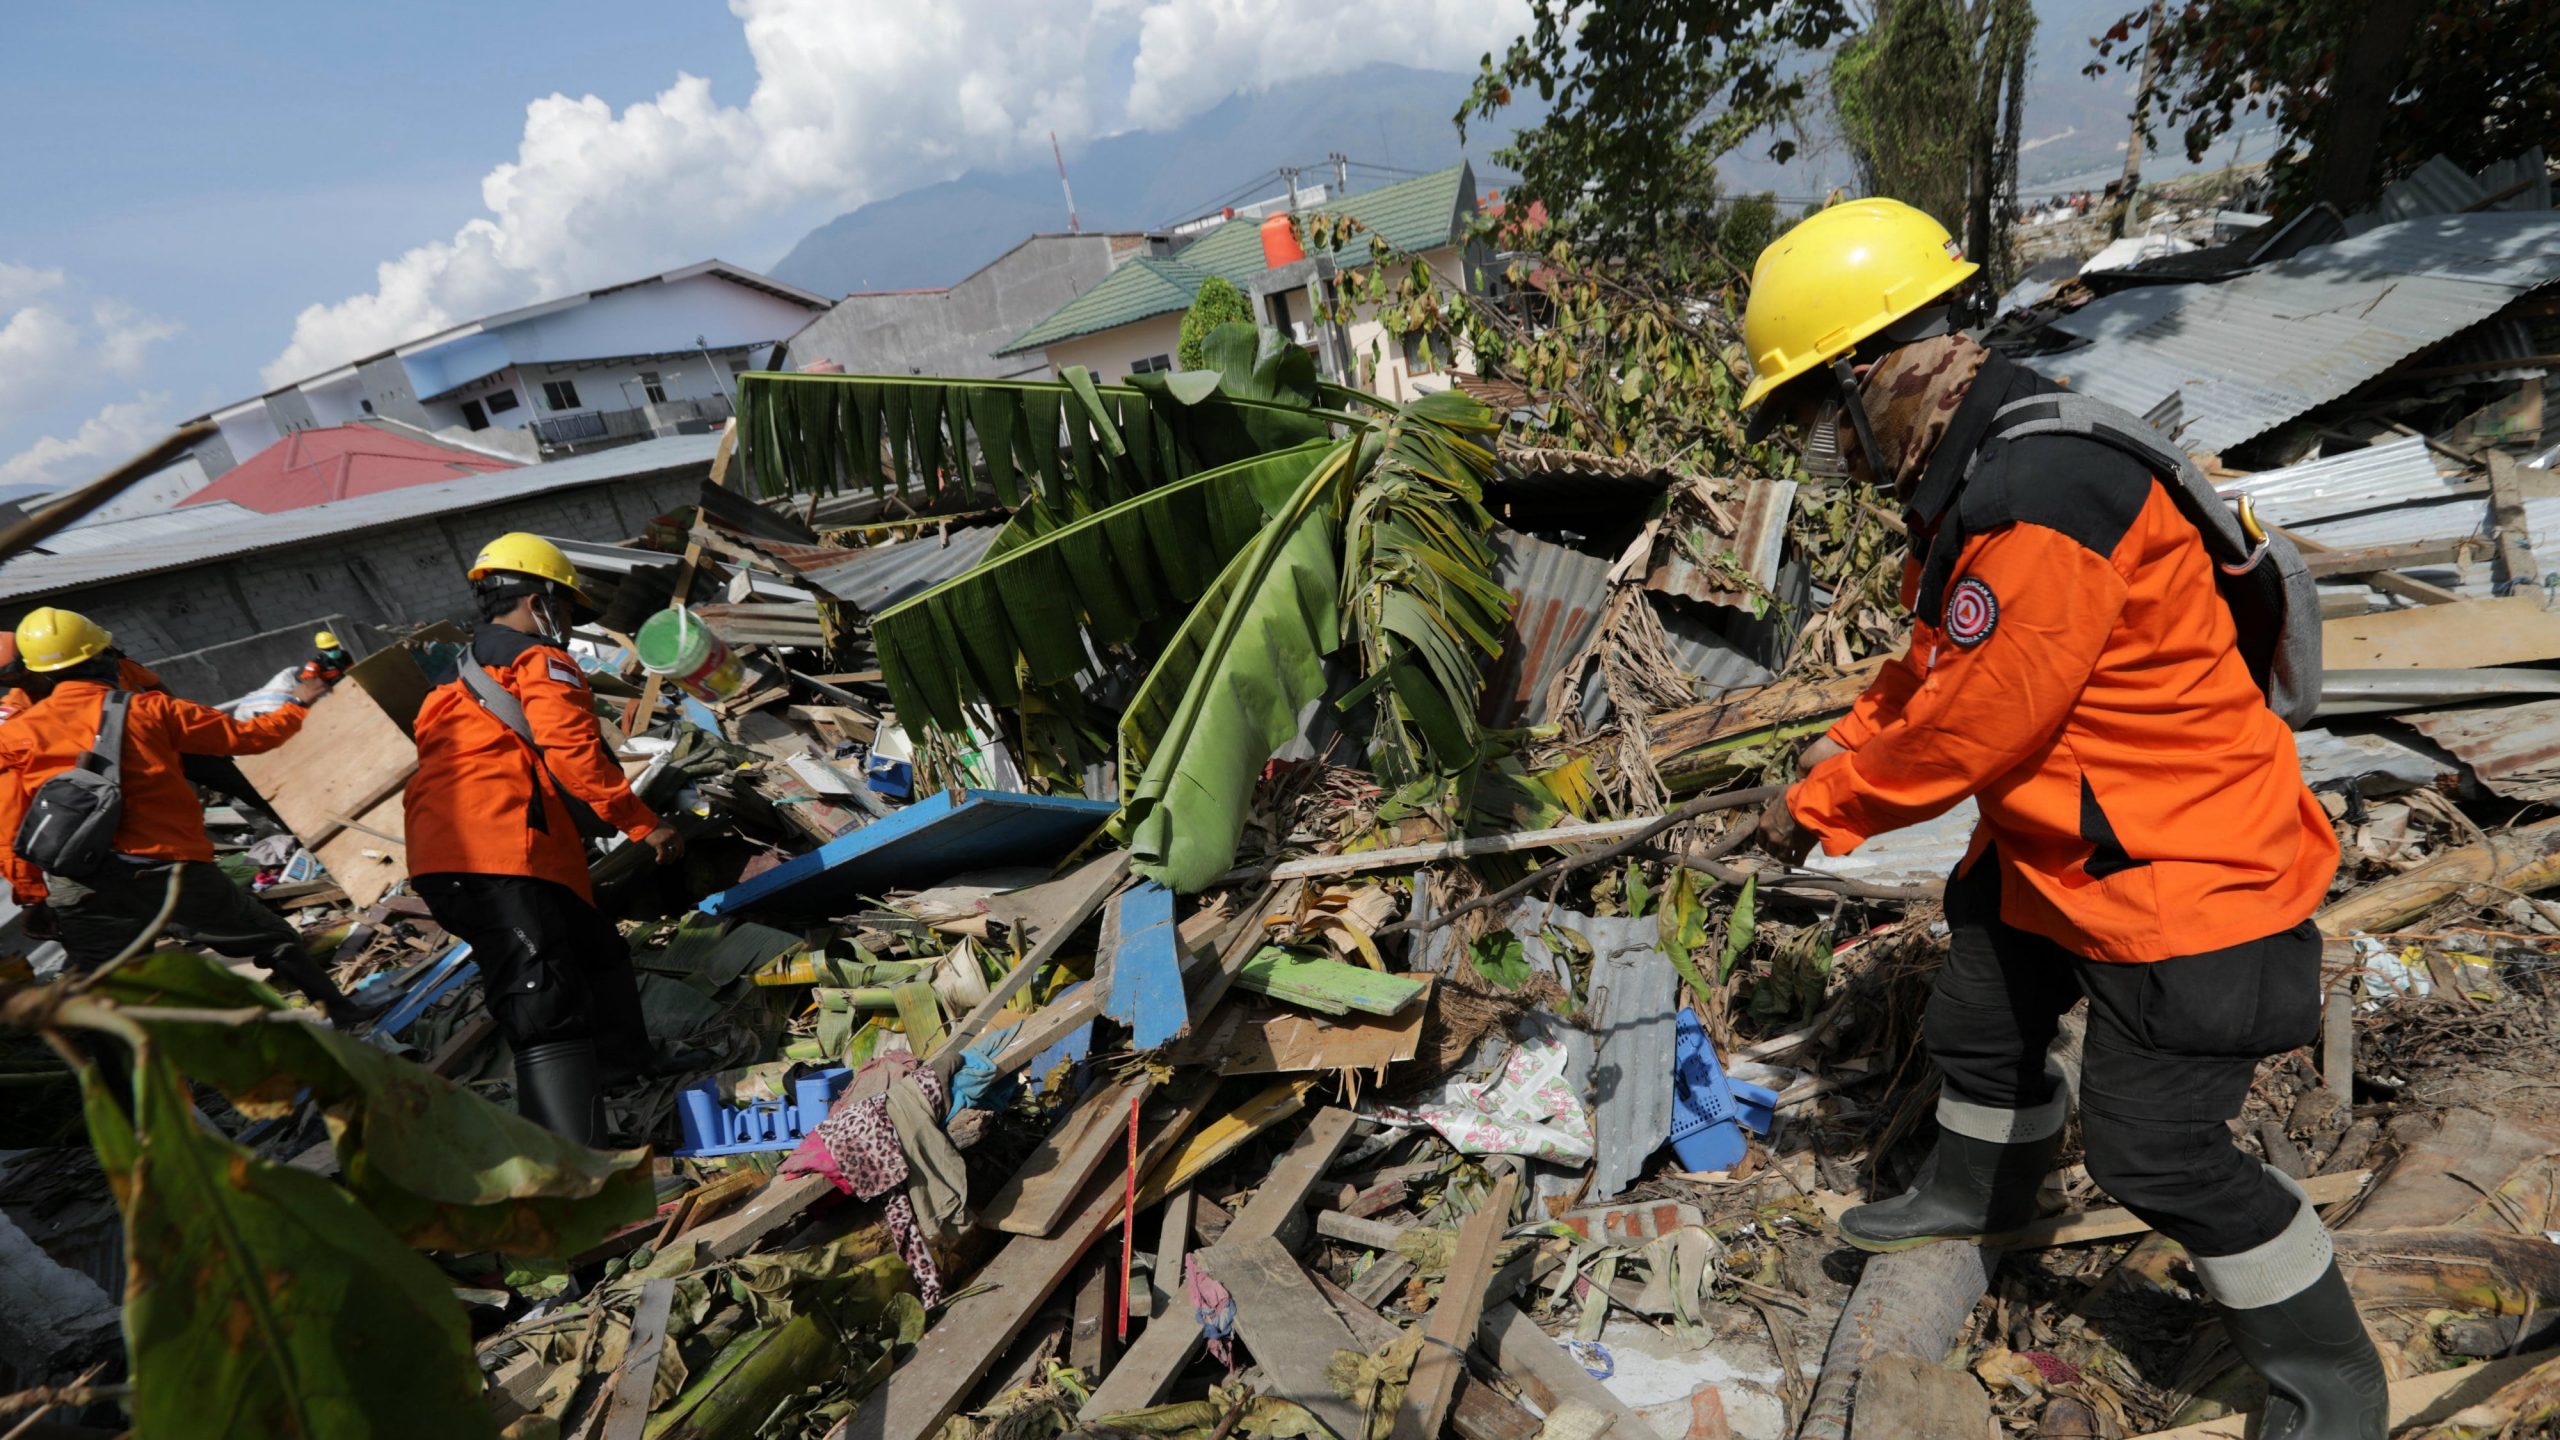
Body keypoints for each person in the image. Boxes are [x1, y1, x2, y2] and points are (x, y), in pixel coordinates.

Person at [1735, 199, 2384, 1439]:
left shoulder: (2041, 488)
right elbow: (1929, 673)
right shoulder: (1985, 461)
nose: (1824, 443)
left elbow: (1977, 725)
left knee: (2159, 1159)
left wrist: (1815, 806)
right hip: (2067, 839)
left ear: (1879, 369)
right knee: (1979, 1016)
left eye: (1821, 408)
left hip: (2178, 870)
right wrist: (1837, 752)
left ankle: (2333, 1380)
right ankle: (1980, 1195)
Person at [403, 532, 686, 1143]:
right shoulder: (540, 660)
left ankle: (625, 1067)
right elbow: (574, 754)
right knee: (541, 994)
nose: (565, 623)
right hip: (496, 855)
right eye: (563, 607)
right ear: (539, 603)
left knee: (596, 950)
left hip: (461, 854)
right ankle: (574, 1154)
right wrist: (644, 822)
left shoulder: (450, 683)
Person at [0, 607, 364, 1025]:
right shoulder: (151, 708)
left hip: (81, 881)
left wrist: (30, 896)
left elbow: (9, 823)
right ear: (105, 658)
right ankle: (345, 1013)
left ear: (40, 675)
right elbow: (248, 736)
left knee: (104, 990)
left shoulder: (14, 735)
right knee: (274, 939)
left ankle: (130, 1084)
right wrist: (298, 703)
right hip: (166, 867)